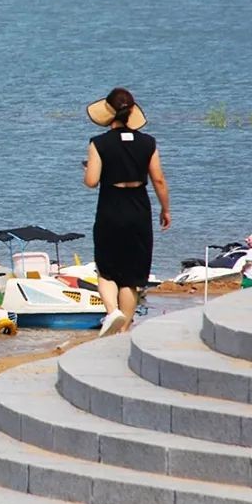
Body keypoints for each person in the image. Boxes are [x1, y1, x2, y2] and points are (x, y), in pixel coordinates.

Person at [84, 87, 171, 336]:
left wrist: (87, 169)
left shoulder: (99, 143)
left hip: (110, 208)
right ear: (132, 111)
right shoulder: (148, 142)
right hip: (139, 208)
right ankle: (123, 330)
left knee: (106, 269)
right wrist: (166, 209)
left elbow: (91, 181)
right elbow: (159, 180)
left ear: (109, 112)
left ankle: (112, 312)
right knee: (131, 277)